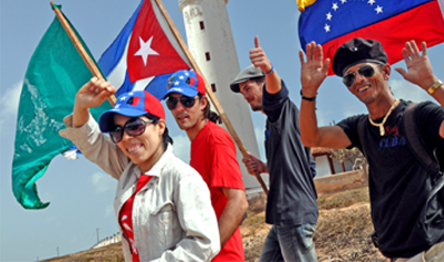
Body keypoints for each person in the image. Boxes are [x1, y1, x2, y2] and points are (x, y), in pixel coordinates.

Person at [298, 38, 444, 261]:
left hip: (430, 248)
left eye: (366, 70)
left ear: (386, 72)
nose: (359, 79)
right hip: (394, 250)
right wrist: (308, 93)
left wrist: (430, 83)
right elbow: (311, 137)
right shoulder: (359, 127)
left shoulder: (419, 116)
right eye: (349, 78)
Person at [59, 77, 220, 262]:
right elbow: (92, 142)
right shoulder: (128, 172)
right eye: (118, 132)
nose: (126, 137)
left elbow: (204, 244)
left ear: (160, 127)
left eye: (135, 127)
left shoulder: (183, 179)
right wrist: (80, 106)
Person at [230, 36, 319, 262]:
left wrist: (269, 70)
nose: (246, 96)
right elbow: (304, 167)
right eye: (242, 93)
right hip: (284, 216)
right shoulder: (277, 122)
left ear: (264, 85)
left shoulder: (278, 109)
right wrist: (264, 167)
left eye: (248, 88)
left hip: (292, 214)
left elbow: (277, 93)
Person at [164, 69, 248, 262]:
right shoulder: (198, 141)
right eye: (172, 102)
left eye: (187, 101)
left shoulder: (214, 138)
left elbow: (238, 202)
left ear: (203, 103)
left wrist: (208, 252)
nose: (179, 108)